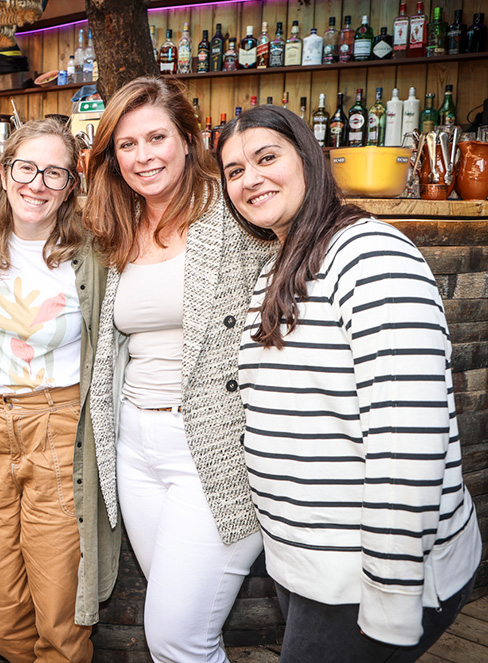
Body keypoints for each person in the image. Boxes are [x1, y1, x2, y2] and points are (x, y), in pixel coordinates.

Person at [218, 105, 482, 662]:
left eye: (267, 157)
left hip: (367, 576)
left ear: (309, 159)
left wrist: (391, 596)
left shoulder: (371, 254)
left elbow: (407, 438)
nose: (250, 179)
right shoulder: (281, 260)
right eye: (235, 170)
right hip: (311, 564)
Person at [82, 76, 274, 662]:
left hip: (212, 448)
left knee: (175, 636)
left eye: (156, 137)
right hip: (134, 448)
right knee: (185, 634)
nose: (143, 156)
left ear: (188, 140)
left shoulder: (235, 210)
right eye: (127, 144)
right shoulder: (118, 225)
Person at [0, 119, 119, 662]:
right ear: (4, 174)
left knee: (61, 615)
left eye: (54, 173)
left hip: (60, 429)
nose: (37, 184)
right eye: (26, 168)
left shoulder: (92, 255)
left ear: (71, 185)